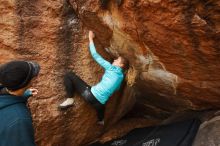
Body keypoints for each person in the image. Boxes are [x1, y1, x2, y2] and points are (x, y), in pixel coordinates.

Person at [59, 31, 128, 124]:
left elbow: (95, 55)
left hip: (90, 96)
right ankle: (101, 120)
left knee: (69, 75)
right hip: (100, 104)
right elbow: (117, 88)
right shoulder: (121, 77)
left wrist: (91, 39)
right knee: (102, 107)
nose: (115, 60)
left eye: (117, 60)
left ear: (121, 65)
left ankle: (70, 99)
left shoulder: (111, 68)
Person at [0, 60, 40, 146]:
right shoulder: (19, 120)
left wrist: (23, 94)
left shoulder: (4, 89)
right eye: (33, 77)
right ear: (27, 83)